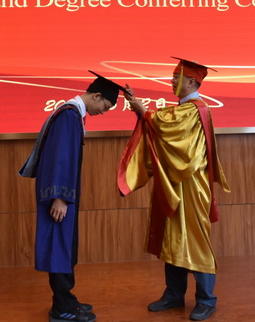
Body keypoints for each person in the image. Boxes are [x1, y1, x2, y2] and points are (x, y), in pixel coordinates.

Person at [118, 57, 230, 321]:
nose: (171, 81)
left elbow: (168, 127)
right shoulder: (183, 109)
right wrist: (140, 109)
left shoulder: (196, 109)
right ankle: (174, 294)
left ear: (190, 81)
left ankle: (206, 299)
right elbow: (164, 127)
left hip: (191, 186)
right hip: (175, 185)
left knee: (196, 240)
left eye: (176, 77)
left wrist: (143, 111)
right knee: (173, 237)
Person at [19, 71, 128, 322]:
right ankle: (61, 308)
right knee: (59, 248)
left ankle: (66, 300)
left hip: (63, 193)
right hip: (58, 195)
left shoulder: (72, 115)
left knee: (65, 247)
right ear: (96, 95)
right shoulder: (68, 116)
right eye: (105, 106)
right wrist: (59, 197)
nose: (103, 112)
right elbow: (60, 158)